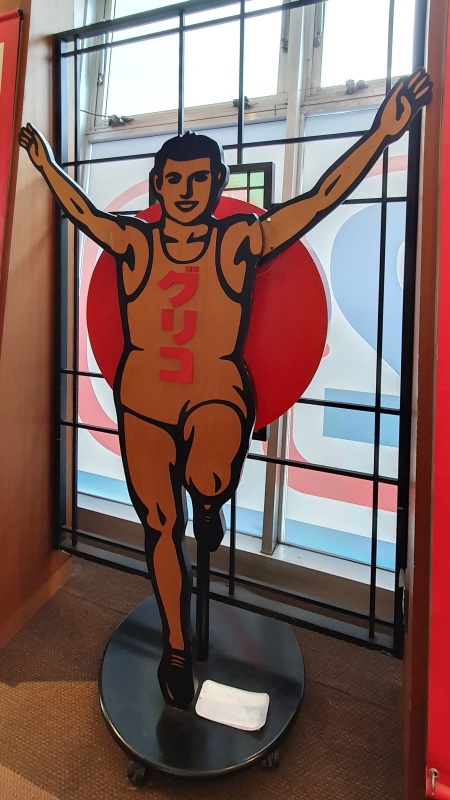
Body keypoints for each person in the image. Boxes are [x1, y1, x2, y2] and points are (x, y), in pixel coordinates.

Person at [19, 67, 432, 709]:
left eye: (199, 179)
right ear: (159, 185)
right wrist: (46, 166)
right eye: (174, 179)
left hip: (216, 392)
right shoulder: (134, 241)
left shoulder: (239, 239)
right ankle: (176, 646)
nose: (186, 191)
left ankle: (210, 501)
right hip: (144, 403)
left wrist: (382, 132)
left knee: (209, 476)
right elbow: (84, 212)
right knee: (160, 525)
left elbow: (320, 199)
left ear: (218, 183)